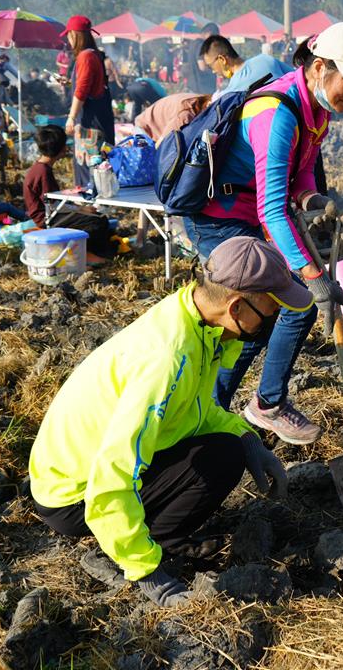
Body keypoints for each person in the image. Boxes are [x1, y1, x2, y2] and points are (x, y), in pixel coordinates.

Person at [29, 236, 299, 607]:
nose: (273, 320)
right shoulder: (169, 358)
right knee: (221, 459)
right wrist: (149, 574)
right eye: (270, 311)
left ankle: (149, 534)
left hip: (80, 469)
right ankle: (149, 544)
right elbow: (111, 478)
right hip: (75, 494)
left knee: (229, 448)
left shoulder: (194, 320)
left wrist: (248, 437)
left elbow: (195, 409)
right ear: (237, 307)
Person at [183, 21, 343, 444]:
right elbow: (271, 208)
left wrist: (313, 198)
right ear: (319, 67)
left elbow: (297, 179)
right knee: (277, 308)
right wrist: (313, 277)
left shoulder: (316, 113)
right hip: (220, 217)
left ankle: (233, 405)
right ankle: (246, 406)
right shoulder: (277, 112)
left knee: (277, 310)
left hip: (251, 217)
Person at [22, 125, 113, 264]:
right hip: (47, 219)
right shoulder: (43, 172)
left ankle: (87, 253)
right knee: (97, 222)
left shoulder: (39, 168)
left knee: (97, 218)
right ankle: (83, 256)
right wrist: (81, 209)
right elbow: (52, 205)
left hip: (49, 214)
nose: (66, 148)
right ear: (59, 149)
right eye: (64, 145)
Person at [61, 15, 115, 188]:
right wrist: (70, 83)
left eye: (69, 35)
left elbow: (83, 89)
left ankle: (91, 207)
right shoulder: (94, 55)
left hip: (90, 124)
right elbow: (90, 85)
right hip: (98, 119)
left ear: (75, 35)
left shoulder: (85, 57)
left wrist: (71, 117)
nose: (68, 40)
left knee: (90, 169)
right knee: (100, 167)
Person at [199, 36, 292, 98]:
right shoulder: (266, 59)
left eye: (210, 66)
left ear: (222, 59)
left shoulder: (232, 92)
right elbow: (296, 77)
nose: (213, 71)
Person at [134, 93, 212, 143]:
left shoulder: (200, 98)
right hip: (145, 130)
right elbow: (162, 143)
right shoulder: (185, 114)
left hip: (147, 120)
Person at [185, 23, 220, 94]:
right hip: (202, 88)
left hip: (193, 86)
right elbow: (202, 67)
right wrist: (214, 69)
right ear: (209, 33)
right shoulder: (202, 45)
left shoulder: (193, 43)